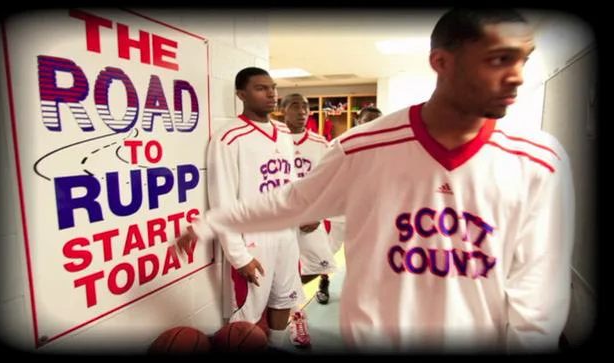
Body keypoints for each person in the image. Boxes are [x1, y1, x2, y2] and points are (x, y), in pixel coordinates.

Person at [178, 9, 575, 354]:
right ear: (442, 62)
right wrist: (209, 223)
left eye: (523, 60)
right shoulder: (360, 148)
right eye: (499, 59)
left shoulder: (540, 161)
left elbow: (537, 294)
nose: (517, 77)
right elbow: (289, 201)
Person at [203, 66, 308, 349]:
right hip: (253, 240)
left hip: (286, 234)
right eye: (261, 88)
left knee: (283, 299)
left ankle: (277, 345)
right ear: (241, 94)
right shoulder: (228, 138)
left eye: (272, 87)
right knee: (246, 317)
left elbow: (290, 182)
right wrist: (239, 256)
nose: (271, 93)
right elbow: (222, 202)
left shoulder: (284, 131)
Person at [279, 93, 339, 304]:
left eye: (305, 106)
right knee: (281, 266)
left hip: (310, 214)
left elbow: (329, 181)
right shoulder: (273, 138)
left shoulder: (319, 143)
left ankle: (317, 285)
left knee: (320, 262)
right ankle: (290, 305)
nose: (302, 111)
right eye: (295, 106)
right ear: (283, 110)